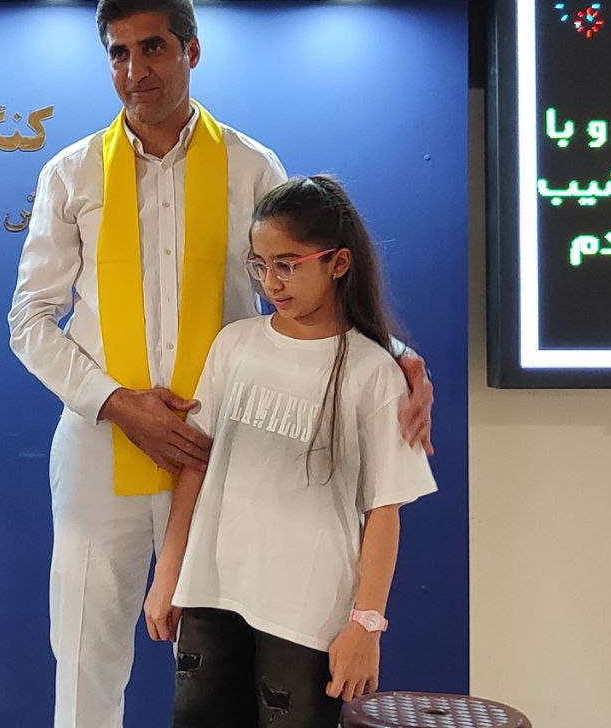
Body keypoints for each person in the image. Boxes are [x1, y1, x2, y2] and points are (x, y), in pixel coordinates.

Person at [7, 0, 433, 728]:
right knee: (84, 652)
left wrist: (392, 350)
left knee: (215, 660)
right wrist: (117, 403)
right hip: (103, 445)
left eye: (152, 48)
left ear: (191, 51)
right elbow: (30, 320)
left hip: (226, 454)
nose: (135, 69)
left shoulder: (250, 165)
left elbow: (304, 275)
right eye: (118, 53)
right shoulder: (71, 173)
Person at [144, 175, 437, 728]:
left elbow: (385, 509)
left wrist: (367, 624)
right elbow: (196, 465)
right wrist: (169, 573)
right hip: (211, 592)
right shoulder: (236, 344)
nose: (270, 282)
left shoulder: (374, 372)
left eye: (287, 264)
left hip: (307, 612)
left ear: (338, 263)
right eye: (258, 265)